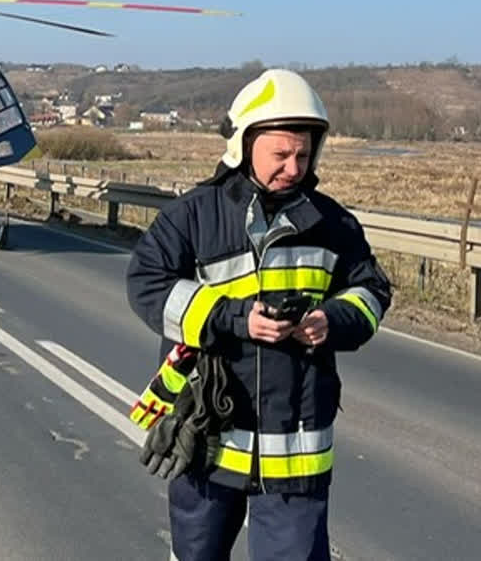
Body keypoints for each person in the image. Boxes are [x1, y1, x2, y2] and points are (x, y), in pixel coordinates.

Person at [125, 68, 392, 561]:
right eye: (281, 155)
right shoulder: (193, 216)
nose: (293, 168)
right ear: (244, 146)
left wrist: (333, 321)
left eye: (303, 155)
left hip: (295, 451)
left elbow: (372, 291)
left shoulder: (333, 224)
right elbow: (147, 284)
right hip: (208, 433)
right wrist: (233, 318)